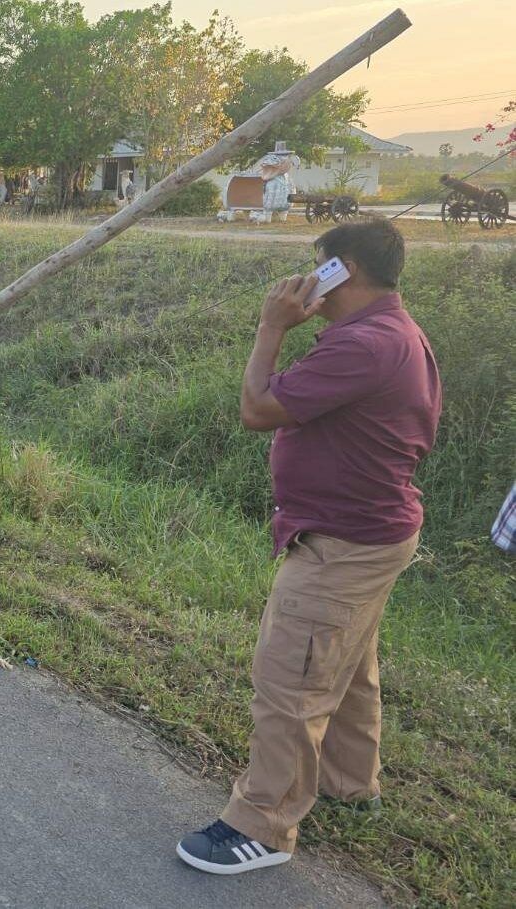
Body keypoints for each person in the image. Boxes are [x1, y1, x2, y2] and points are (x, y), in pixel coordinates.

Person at [177, 219, 441, 875]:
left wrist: (270, 326)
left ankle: (262, 824)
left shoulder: (367, 343)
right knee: (346, 666)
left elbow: (257, 408)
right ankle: (351, 786)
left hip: (344, 538)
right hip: (372, 530)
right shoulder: (386, 331)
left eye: (316, 262)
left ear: (341, 268)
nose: (308, 273)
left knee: (290, 676)